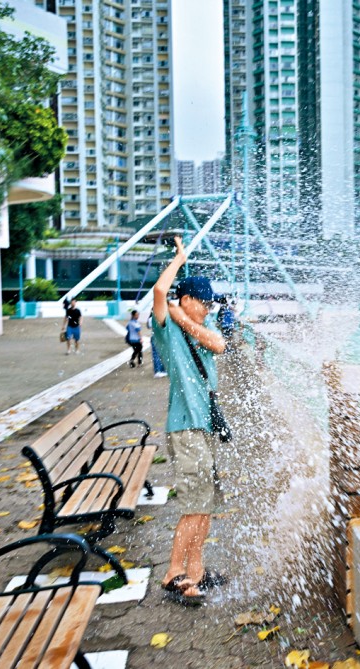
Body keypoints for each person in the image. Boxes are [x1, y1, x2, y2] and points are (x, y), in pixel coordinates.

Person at [152, 236, 227, 606]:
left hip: (206, 427)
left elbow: (219, 344)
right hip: (185, 427)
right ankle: (174, 574)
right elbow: (159, 290)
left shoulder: (196, 325)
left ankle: (196, 570)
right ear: (187, 300)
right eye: (204, 303)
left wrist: (188, 318)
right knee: (193, 505)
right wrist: (180, 258)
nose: (209, 309)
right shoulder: (167, 331)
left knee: (206, 502)